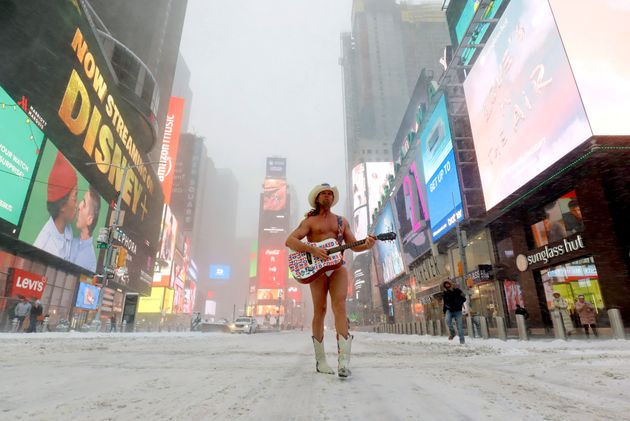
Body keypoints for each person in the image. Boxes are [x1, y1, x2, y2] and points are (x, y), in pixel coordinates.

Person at [285, 183, 375, 378]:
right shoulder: (309, 222)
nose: (327, 196)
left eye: (330, 194)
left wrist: (367, 245)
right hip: (316, 269)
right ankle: (321, 361)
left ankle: (344, 360)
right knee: (320, 310)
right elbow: (290, 241)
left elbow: (353, 245)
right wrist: (313, 249)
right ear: (317, 198)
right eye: (324, 194)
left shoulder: (341, 222)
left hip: (337, 267)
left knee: (339, 306)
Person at [33, 152, 78, 261]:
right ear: (62, 205)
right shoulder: (43, 247)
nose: (78, 205)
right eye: (75, 198)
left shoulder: (67, 229)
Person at [70, 186, 101, 272]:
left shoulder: (91, 261)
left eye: (84, 204)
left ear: (89, 219)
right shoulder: (70, 241)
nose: (79, 206)